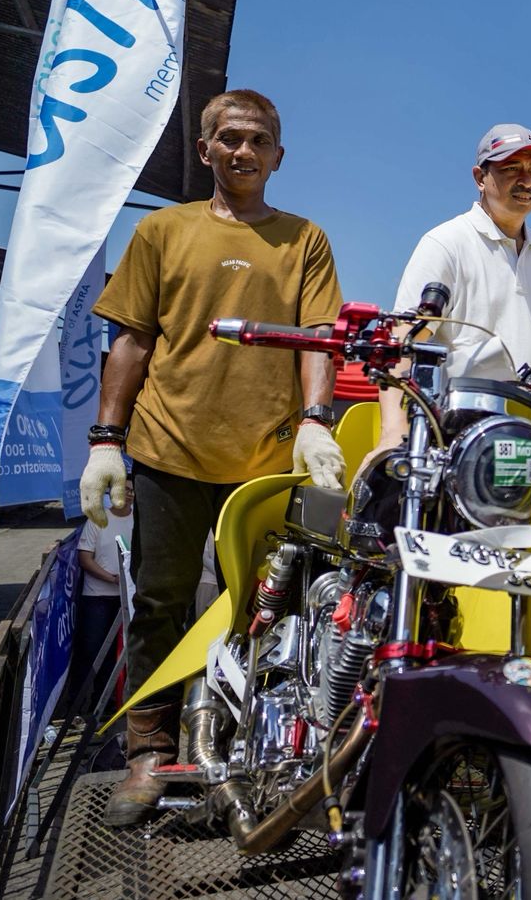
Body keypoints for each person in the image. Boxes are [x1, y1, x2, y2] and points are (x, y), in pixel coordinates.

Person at [80, 88, 345, 826]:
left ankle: (239, 747)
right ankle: (148, 752)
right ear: (205, 150)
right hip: (169, 448)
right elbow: (132, 341)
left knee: (265, 611)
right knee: (160, 602)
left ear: (279, 156)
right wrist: (105, 440)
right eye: (230, 138)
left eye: (259, 140)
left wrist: (316, 422)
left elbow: (319, 339)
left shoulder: (305, 240)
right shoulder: (162, 230)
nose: (244, 151)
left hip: (264, 461)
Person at [372, 124, 531, 460]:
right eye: (512, 168)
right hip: (456, 438)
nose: (527, 181)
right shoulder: (446, 243)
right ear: (480, 177)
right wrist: (392, 432)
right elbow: (402, 343)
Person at [66, 482, 133, 716]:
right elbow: (85, 558)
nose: (128, 494)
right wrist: (111, 578)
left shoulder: (139, 521)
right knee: (90, 652)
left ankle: (103, 707)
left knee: (115, 657)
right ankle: (75, 707)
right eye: (123, 489)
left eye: (131, 489)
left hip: (126, 599)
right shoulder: (97, 519)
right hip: (97, 597)